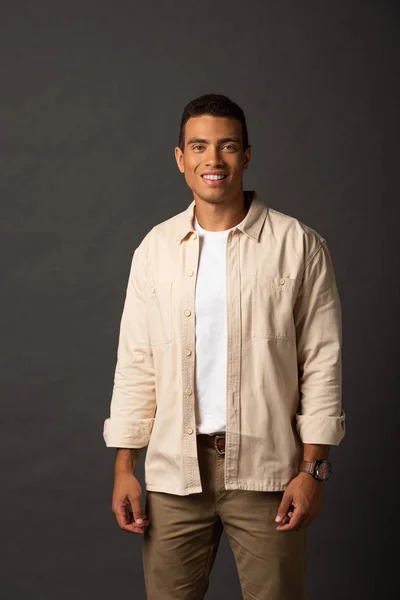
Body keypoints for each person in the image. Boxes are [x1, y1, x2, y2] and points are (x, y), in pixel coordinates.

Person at [103, 93, 346, 600]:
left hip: (269, 472)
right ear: (181, 159)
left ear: (246, 155)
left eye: (227, 146)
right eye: (199, 147)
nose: (213, 160)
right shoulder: (154, 250)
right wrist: (125, 467)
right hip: (175, 473)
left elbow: (322, 363)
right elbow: (136, 364)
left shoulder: (297, 245)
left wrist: (312, 471)